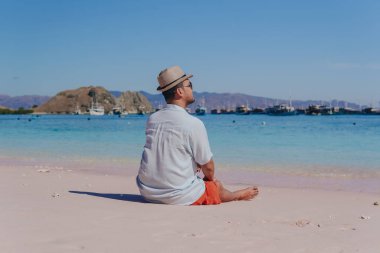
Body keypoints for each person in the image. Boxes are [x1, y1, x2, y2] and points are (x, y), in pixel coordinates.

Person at [136, 66, 259, 205]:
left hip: (147, 191)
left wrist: (195, 165)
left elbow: (168, 151)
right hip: (176, 196)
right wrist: (209, 179)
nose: (192, 89)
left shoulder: (153, 119)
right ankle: (236, 195)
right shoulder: (193, 123)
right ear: (180, 91)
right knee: (215, 185)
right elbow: (209, 167)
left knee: (195, 165)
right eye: (190, 85)